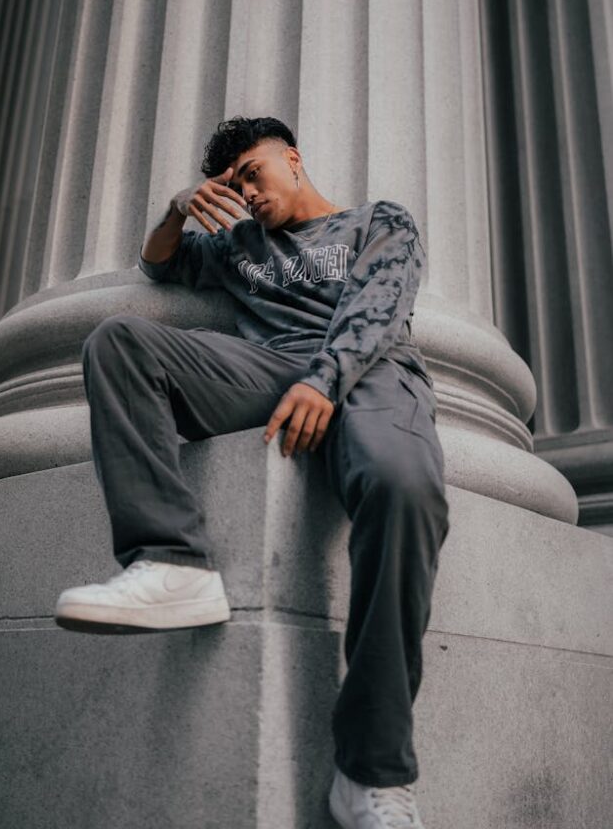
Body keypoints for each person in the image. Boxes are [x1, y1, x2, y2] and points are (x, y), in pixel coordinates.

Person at [55, 115, 450, 829]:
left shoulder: (376, 220)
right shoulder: (235, 245)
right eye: (231, 181)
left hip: (369, 368)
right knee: (119, 342)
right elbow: (156, 264)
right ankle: (171, 559)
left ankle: (371, 773)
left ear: (291, 158)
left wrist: (324, 379)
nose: (244, 189)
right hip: (266, 368)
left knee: (403, 488)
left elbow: (379, 309)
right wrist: (180, 206)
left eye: (251, 172)